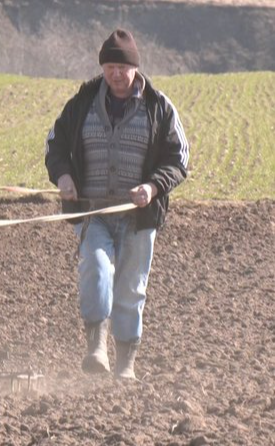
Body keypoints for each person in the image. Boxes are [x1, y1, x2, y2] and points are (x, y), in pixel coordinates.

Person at [44, 29, 189, 379]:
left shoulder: (158, 106)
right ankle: (96, 347)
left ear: (135, 69)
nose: (115, 74)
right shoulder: (82, 103)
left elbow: (179, 159)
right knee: (95, 268)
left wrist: (154, 187)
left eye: (121, 68)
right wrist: (63, 177)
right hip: (94, 212)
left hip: (139, 217)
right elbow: (55, 145)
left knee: (131, 288)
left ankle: (125, 364)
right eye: (109, 67)